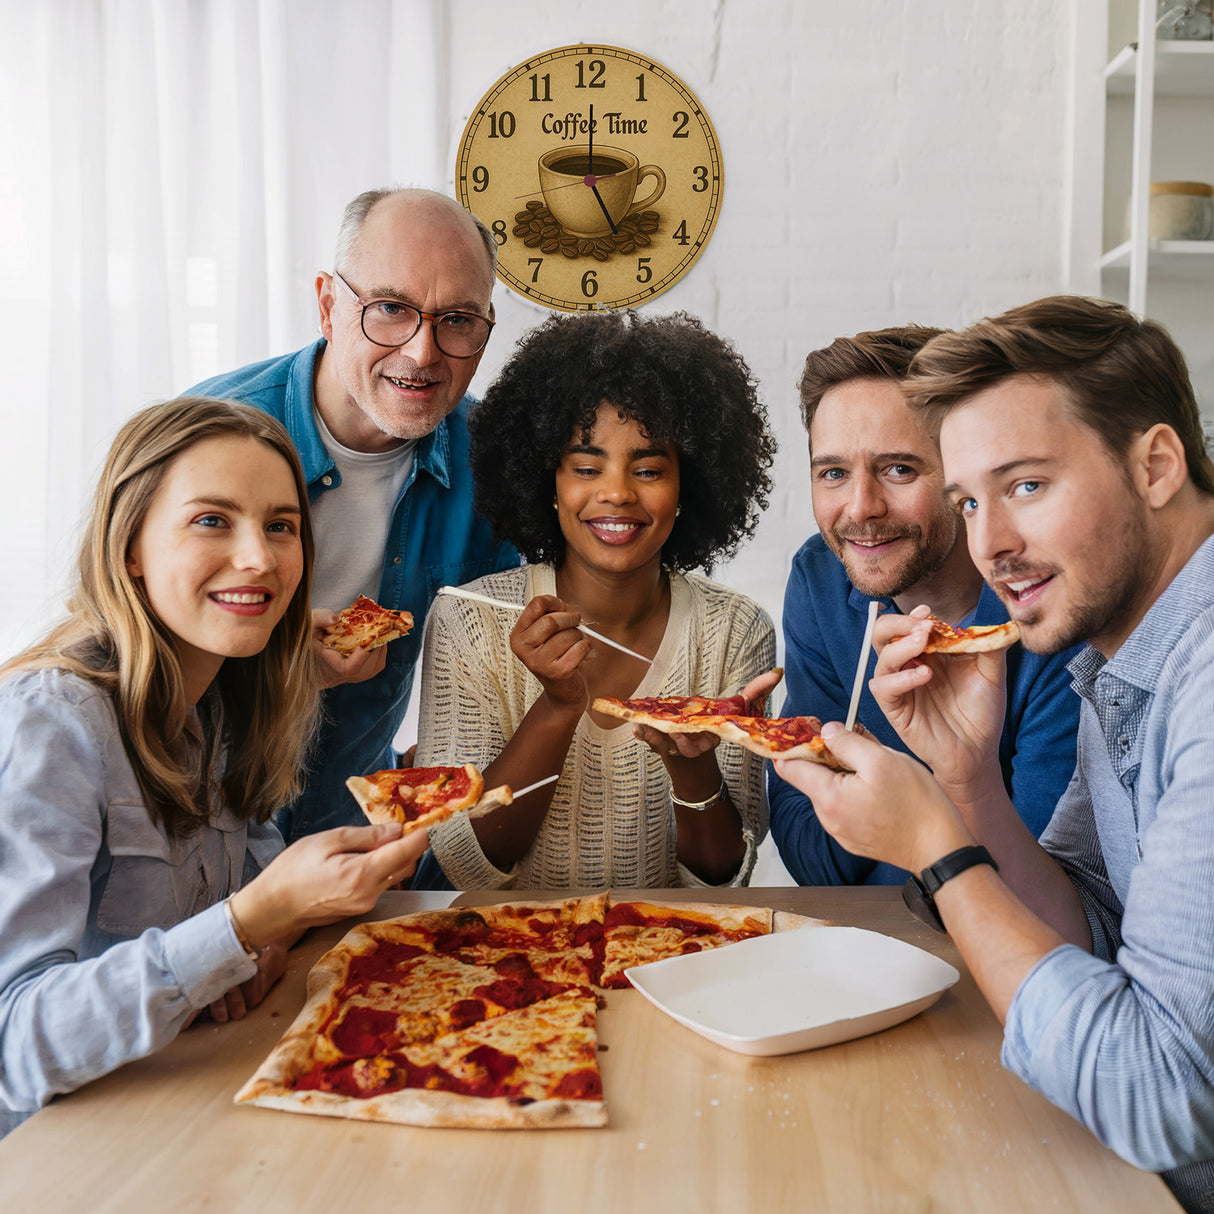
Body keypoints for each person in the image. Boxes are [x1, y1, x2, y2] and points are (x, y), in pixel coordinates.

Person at [776, 297, 1214, 1212]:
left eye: (1024, 486)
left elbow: (1159, 1097)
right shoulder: (1119, 648)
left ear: (1157, 465)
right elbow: (1088, 929)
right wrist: (970, 783)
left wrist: (941, 847)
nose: (991, 545)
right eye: (971, 500)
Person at [0, 398, 428, 1137]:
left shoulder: (224, 694)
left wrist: (253, 944)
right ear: (130, 545)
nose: (260, 558)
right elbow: (12, 1045)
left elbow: (242, 897)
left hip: (180, 1103)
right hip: (58, 1154)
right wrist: (253, 920)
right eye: (211, 520)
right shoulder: (50, 720)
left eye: (281, 526)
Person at [189, 188, 518, 843]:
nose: (423, 353)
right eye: (391, 309)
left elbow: (499, 674)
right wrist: (280, 664)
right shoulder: (201, 437)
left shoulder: (498, 466)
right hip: (191, 838)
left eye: (457, 319)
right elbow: (119, 663)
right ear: (328, 304)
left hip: (354, 843)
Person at [413, 310, 780, 890]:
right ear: (547, 482)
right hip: (508, 964)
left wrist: (692, 767)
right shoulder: (470, 619)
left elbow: (723, 878)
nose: (616, 492)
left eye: (650, 469)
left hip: (674, 962)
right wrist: (558, 705)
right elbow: (467, 864)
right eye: (586, 466)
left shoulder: (735, 629)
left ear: (690, 486)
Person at [768, 325, 1080, 885]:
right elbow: (807, 853)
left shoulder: (1049, 610)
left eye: (899, 469)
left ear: (961, 478)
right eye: (834, 473)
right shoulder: (819, 577)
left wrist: (889, 802)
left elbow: (1044, 882)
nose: (861, 508)